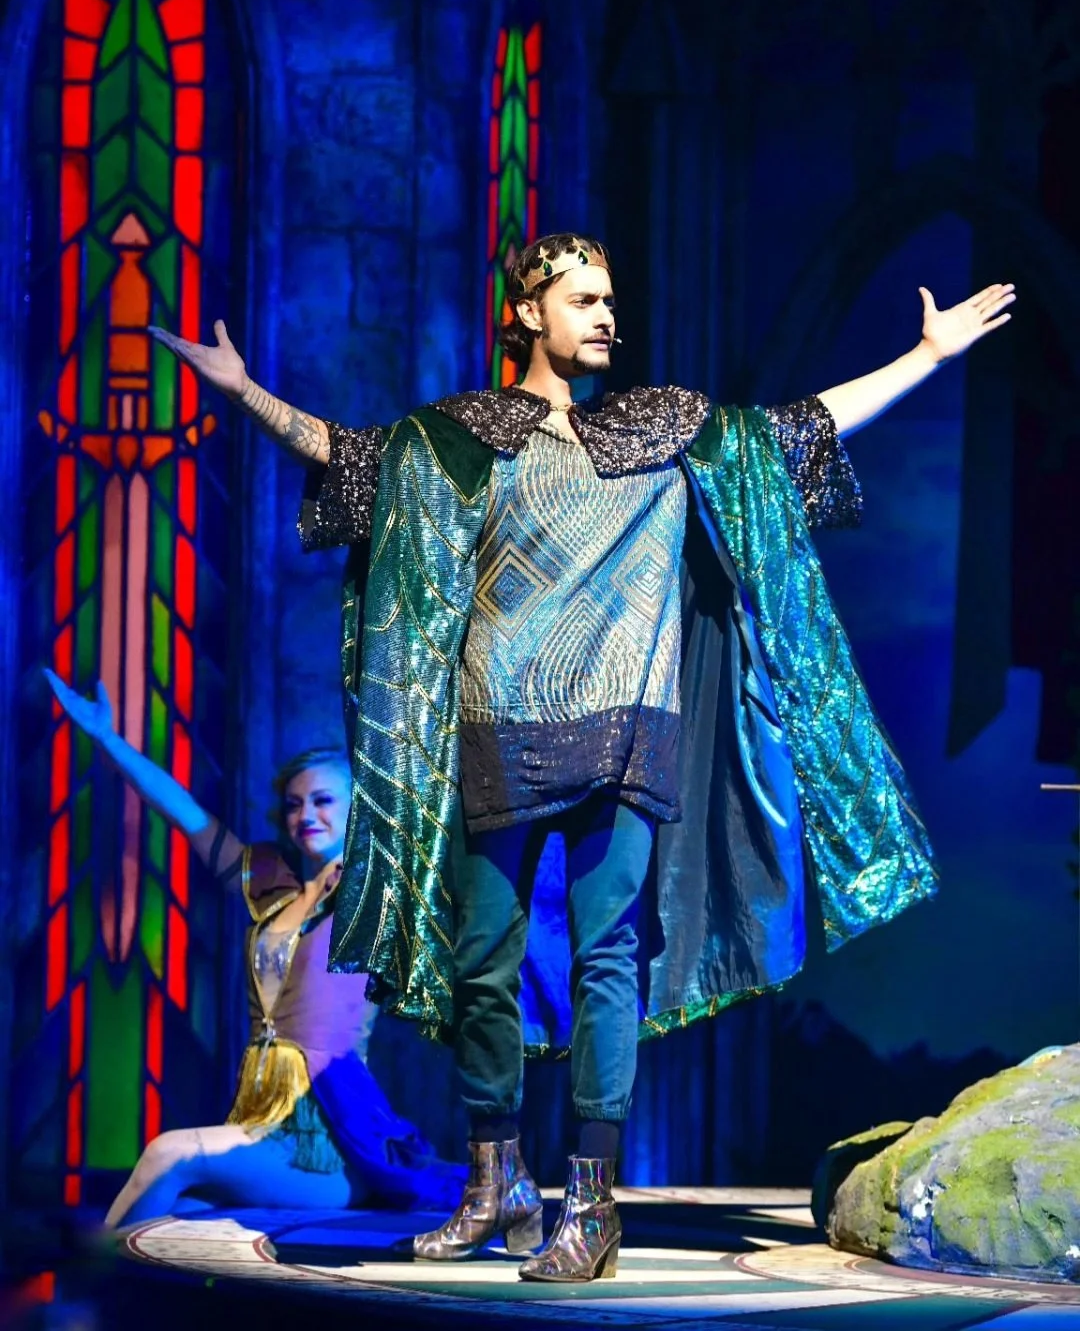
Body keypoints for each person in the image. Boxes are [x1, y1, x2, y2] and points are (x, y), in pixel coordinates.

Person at [149, 234, 1013, 1281]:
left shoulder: (666, 431)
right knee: (482, 967)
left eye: (612, 297)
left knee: (608, 960)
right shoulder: (458, 441)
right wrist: (242, 390)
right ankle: (494, 1182)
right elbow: (351, 458)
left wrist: (924, 357)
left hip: (628, 730)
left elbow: (804, 428)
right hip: (494, 726)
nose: (607, 314)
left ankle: (590, 1205)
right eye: (584, 298)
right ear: (527, 314)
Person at [43, 669, 465, 1229]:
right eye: (293, 804)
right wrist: (108, 739)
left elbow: (424, 828)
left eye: (322, 801)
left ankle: (83, 1290)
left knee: (168, 1153)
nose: (305, 815)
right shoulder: (270, 881)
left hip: (325, 1138)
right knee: (172, 1212)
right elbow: (184, 813)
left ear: (357, 809)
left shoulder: (372, 894)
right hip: (261, 1118)